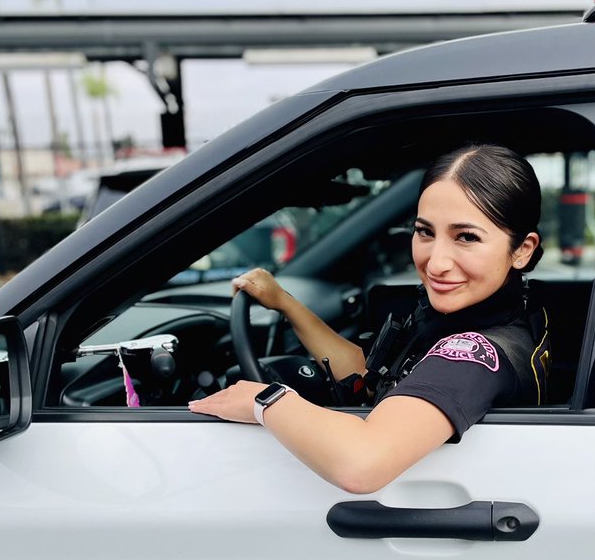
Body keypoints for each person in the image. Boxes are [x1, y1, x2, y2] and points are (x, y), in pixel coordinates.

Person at [188, 144, 548, 492]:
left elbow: (361, 464)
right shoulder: (487, 313)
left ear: (522, 250)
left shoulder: (473, 356)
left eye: (466, 237)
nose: (436, 263)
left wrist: (265, 401)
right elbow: (372, 379)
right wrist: (285, 303)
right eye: (425, 232)